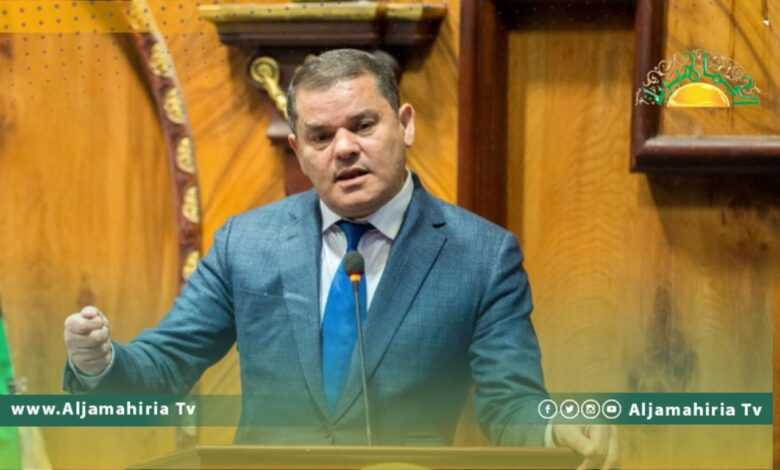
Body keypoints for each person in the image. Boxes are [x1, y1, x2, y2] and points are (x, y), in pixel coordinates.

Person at [64, 49, 618, 468]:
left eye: (364, 125)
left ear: (405, 124)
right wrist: (100, 365)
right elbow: (166, 365)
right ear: (298, 151)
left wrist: (555, 427)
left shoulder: (482, 256)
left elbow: (511, 404)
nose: (345, 148)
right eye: (321, 136)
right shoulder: (246, 243)